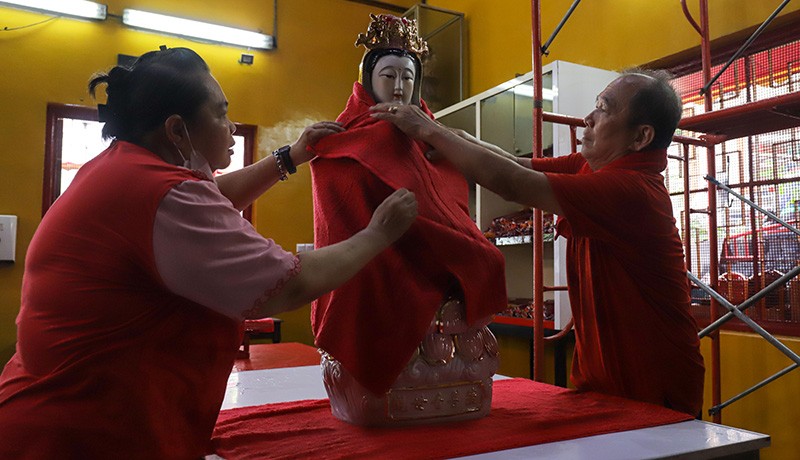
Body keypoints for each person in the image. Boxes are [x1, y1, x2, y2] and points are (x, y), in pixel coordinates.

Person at [0, 46, 418, 458]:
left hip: (72, 416)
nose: (231, 126)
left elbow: (212, 196)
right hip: (80, 436)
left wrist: (290, 157)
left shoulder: (124, 168)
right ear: (177, 130)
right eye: (220, 113)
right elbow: (289, 285)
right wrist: (377, 233)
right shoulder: (161, 194)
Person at [372, 69, 705, 416]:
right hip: (604, 384)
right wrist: (448, 135)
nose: (588, 119)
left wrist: (430, 131)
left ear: (640, 137)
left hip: (653, 388)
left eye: (604, 109)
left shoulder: (635, 191)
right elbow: (515, 163)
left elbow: (513, 181)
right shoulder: (592, 167)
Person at [308, 14, 507, 407]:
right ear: (368, 79)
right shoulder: (344, 138)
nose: (399, 86)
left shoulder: (430, 134)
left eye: (408, 77)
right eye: (388, 75)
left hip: (428, 254)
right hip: (372, 258)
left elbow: (444, 199)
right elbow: (344, 208)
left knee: (480, 261)